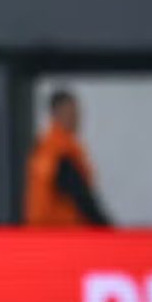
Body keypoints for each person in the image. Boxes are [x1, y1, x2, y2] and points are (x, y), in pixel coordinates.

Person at [24, 88, 112, 227]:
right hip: (62, 231)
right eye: (71, 112)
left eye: (77, 113)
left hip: (40, 232)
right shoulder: (61, 151)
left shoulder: (44, 147)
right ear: (56, 114)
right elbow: (81, 196)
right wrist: (108, 229)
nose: (76, 118)